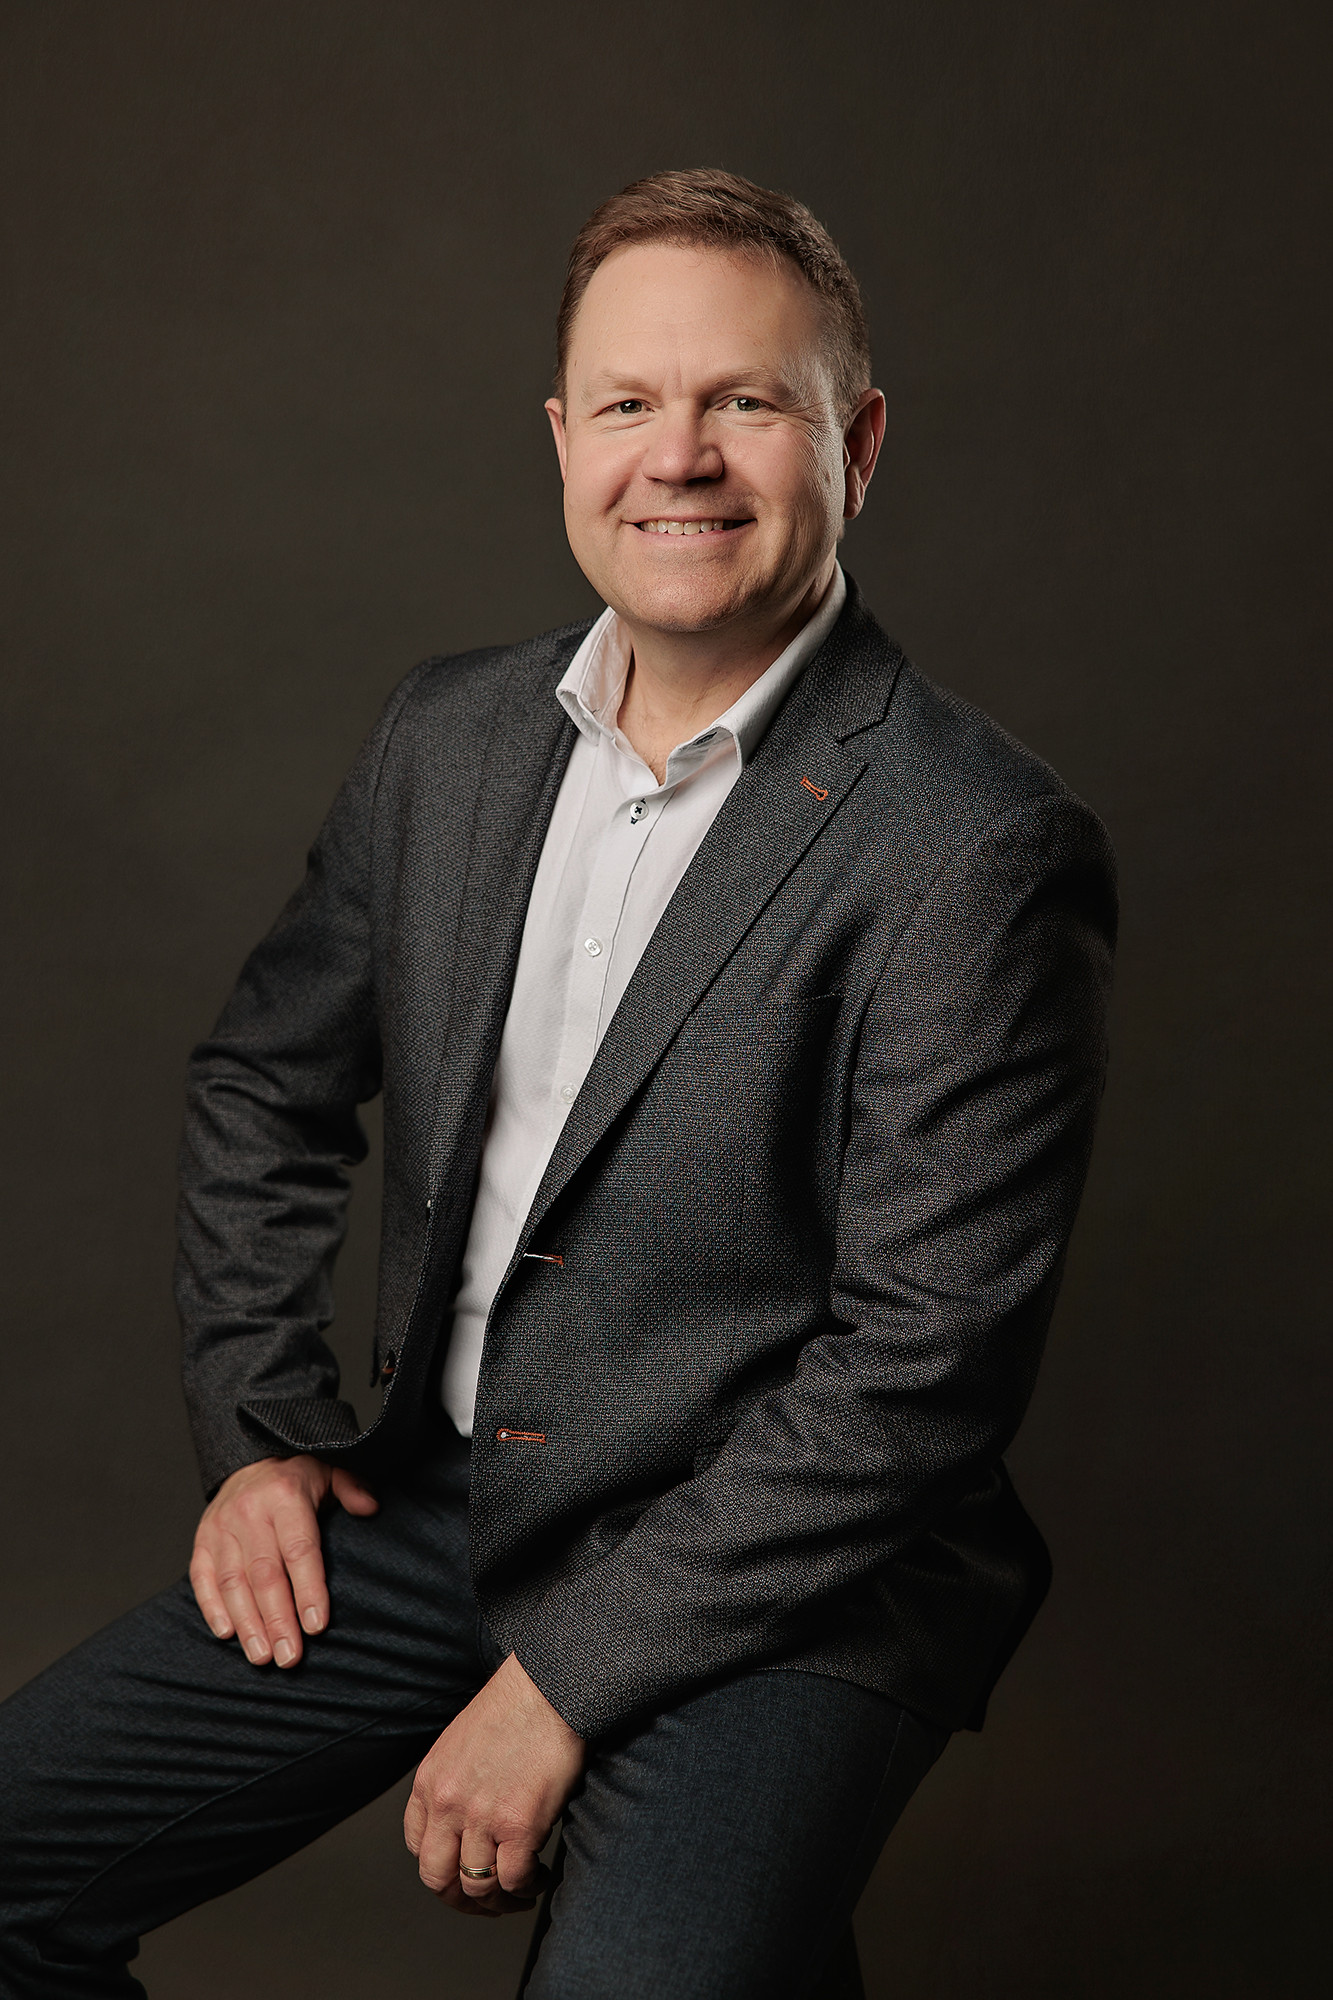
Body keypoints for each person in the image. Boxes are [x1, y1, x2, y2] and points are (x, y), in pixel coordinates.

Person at [0, 168, 1116, 1998]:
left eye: (746, 403)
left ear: (859, 440)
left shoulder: (976, 845)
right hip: (438, 1506)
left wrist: (565, 1687)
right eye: (628, 404)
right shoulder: (446, 738)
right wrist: (266, 1431)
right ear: (562, 438)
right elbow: (263, 1088)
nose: (677, 457)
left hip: (787, 1571)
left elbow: (921, 1379)